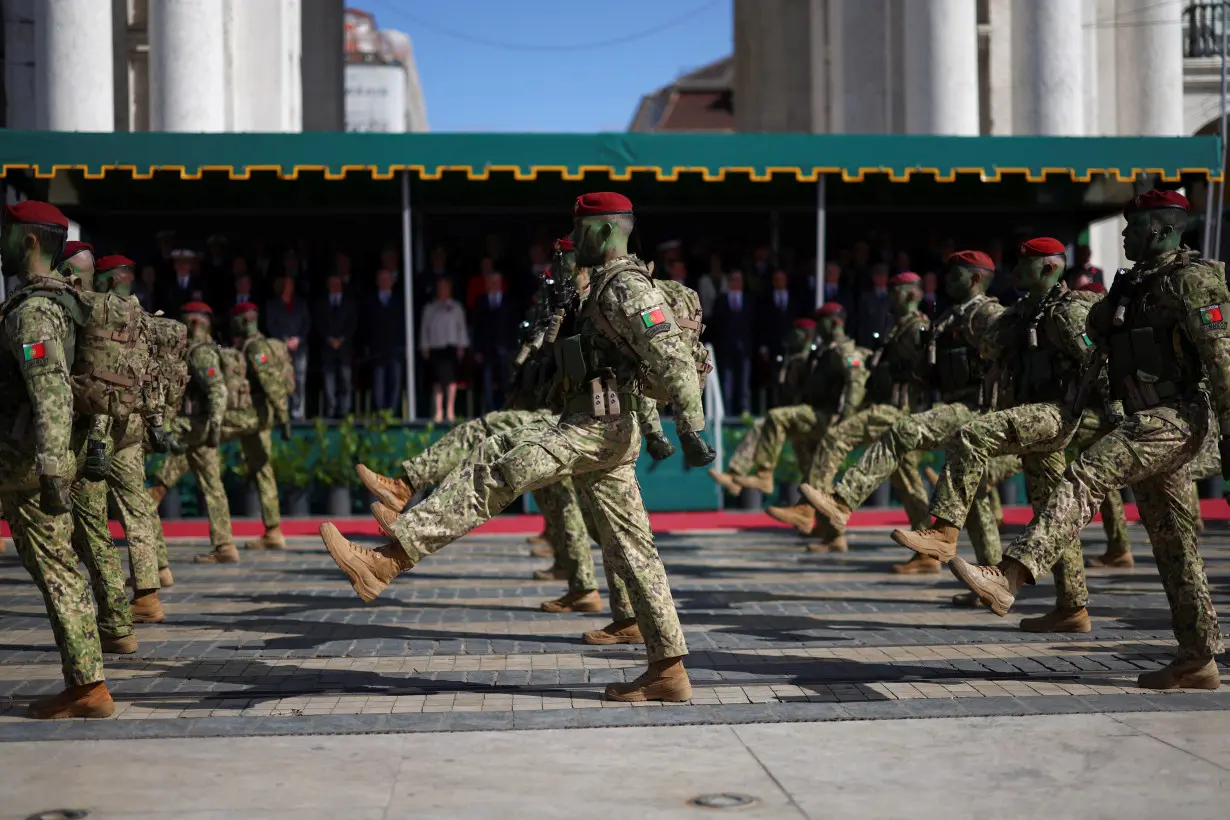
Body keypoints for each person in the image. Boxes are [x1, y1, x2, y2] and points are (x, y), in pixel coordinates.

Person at [319, 192, 715, 702]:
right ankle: (669, 670)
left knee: (498, 468)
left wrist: (691, 426)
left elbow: (671, 359)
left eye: (580, 227)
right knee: (632, 549)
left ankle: (388, 560)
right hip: (599, 425)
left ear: (605, 230)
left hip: (597, 426)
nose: (574, 237)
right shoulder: (600, 285)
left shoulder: (627, 287)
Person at [948, 190, 1225, 690]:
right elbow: (1094, 357)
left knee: (1089, 473)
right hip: (1141, 417)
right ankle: (1198, 657)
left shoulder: (1195, 280)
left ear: (1161, 229)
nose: (1124, 234)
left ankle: (1010, 575)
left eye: (1134, 226)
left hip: (1178, 416)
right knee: (1172, 542)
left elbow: (1223, 363)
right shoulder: (1129, 288)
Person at [892, 238, 1107, 628]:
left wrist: (1111, 418)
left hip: (1060, 411)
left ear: (1048, 269)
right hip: (1032, 412)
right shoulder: (1022, 312)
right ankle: (1073, 607)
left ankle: (944, 530)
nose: (1015, 272)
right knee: (1049, 507)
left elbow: (1098, 365)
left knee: (972, 434)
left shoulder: (1069, 310)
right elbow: (988, 349)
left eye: (1024, 265)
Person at [803, 254, 1006, 570]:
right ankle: (992, 573)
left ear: (976, 278)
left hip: (978, 408)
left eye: (956, 274)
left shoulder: (988, 315)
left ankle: (843, 501)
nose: (946, 280)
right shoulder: (947, 319)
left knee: (903, 431)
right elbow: (925, 372)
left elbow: (1008, 361)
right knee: (972, 493)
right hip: (953, 406)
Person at [0, 200, 112, 718]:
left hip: (24, 466)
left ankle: (88, 686)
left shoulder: (33, 313)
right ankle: (86, 683)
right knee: (59, 566)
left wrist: (49, 469)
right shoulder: (59, 302)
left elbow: (51, 394)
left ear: (28, 241)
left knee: (58, 569)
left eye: (7, 232)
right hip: (30, 463)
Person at [150, 302, 237, 564]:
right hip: (198, 434)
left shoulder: (201, 354)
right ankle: (225, 546)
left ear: (196, 323)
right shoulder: (207, 349)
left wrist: (215, 427)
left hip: (192, 429)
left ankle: (156, 563)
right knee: (212, 488)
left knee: (154, 489)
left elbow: (218, 390)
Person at [419, 277, 469, 422]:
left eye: (445, 287)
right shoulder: (430, 308)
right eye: (440, 287)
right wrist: (424, 346)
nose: (443, 290)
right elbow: (425, 328)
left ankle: (450, 411)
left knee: (451, 380)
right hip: (435, 347)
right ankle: (438, 412)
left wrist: (462, 346)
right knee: (437, 381)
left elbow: (461, 328)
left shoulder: (456, 307)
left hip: (451, 347)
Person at [471, 268, 517, 414]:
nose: (494, 284)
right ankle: (489, 410)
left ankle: (505, 409)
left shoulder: (510, 301)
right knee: (487, 382)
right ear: (487, 284)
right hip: (486, 350)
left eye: (497, 282)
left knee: (506, 381)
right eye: (491, 282)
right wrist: (477, 350)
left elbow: (513, 326)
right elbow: (476, 327)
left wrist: (512, 347)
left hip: (505, 348)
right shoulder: (481, 301)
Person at [264, 275, 310, 421]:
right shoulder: (272, 305)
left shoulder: (301, 304)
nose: (288, 287)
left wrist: (298, 339)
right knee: (281, 379)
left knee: (299, 379)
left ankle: (298, 412)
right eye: (285, 284)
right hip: (280, 349)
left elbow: (306, 323)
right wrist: (284, 340)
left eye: (291, 284)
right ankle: (283, 411)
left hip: (299, 348)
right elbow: (271, 325)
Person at [710, 269, 755, 414]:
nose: (737, 282)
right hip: (726, 348)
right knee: (727, 382)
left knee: (744, 382)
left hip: (745, 348)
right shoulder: (721, 300)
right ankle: (726, 412)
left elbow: (754, 324)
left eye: (739, 279)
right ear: (729, 282)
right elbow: (715, 325)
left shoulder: (749, 300)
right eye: (734, 279)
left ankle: (743, 410)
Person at [314, 272, 358, 418]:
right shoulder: (321, 303)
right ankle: (331, 410)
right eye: (332, 284)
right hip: (327, 348)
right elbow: (318, 323)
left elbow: (353, 324)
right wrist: (329, 339)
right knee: (329, 380)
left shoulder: (349, 303)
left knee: (345, 379)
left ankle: (344, 411)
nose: (335, 287)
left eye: (337, 284)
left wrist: (342, 339)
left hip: (344, 348)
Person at [364, 267, 406, 413]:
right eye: (381, 279)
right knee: (378, 382)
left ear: (392, 282)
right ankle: (380, 413)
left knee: (395, 381)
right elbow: (366, 324)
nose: (384, 282)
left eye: (387, 279)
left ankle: (392, 412)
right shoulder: (370, 300)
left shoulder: (401, 300)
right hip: (377, 349)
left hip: (396, 347)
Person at [853, 263, 892, 349]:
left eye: (883, 275)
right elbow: (861, 322)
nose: (881, 278)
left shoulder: (893, 297)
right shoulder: (865, 298)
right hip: (869, 343)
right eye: (878, 275)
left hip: (889, 342)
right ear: (873, 277)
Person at [159, 248, 206, 316]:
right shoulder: (166, 284)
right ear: (174, 265)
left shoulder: (200, 284)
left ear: (191, 265)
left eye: (185, 262)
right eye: (178, 262)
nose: (182, 265)